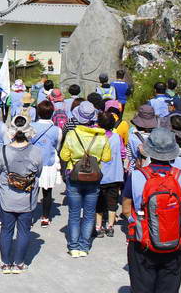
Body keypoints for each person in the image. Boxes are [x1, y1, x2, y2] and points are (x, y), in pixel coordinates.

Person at [122, 127, 181, 293]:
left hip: (143, 242)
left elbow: (126, 209)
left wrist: (137, 224)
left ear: (149, 150)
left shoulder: (137, 176)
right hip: (174, 243)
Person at [60, 101, 111, 258]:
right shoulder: (101, 136)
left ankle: (73, 246)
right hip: (93, 179)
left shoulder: (72, 134)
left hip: (74, 176)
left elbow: (64, 156)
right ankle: (84, 246)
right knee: (89, 214)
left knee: (74, 213)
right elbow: (107, 157)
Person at [0, 115, 43, 274]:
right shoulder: (36, 151)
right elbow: (39, 172)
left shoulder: (4, 150)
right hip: (27, 199)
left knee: (6, 230)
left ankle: (5, 263)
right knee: (24, 231)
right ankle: (19, 263)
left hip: (7, 198)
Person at [95, 112, 125, 238]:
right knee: (112, 201)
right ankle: (110, 226)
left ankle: (98, 226)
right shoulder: (117, 137)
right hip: (115, 174)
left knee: (99, 202)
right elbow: (123, 153)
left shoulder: (97, 137)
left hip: (100, 176)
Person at [32, 101, 62, 228]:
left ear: (38, 112)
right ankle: (45, 217)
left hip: (32, 162)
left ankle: (29, 217)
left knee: (31, 192)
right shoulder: (56, 129)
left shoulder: (31, 126)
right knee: (47, 192)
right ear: (52, 113)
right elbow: (57, 147)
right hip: (48, 163)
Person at [128, 105, 158, 173]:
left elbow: (130, 157)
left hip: (137, 171)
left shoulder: (132, 137)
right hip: (153, 171)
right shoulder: (157, 136)